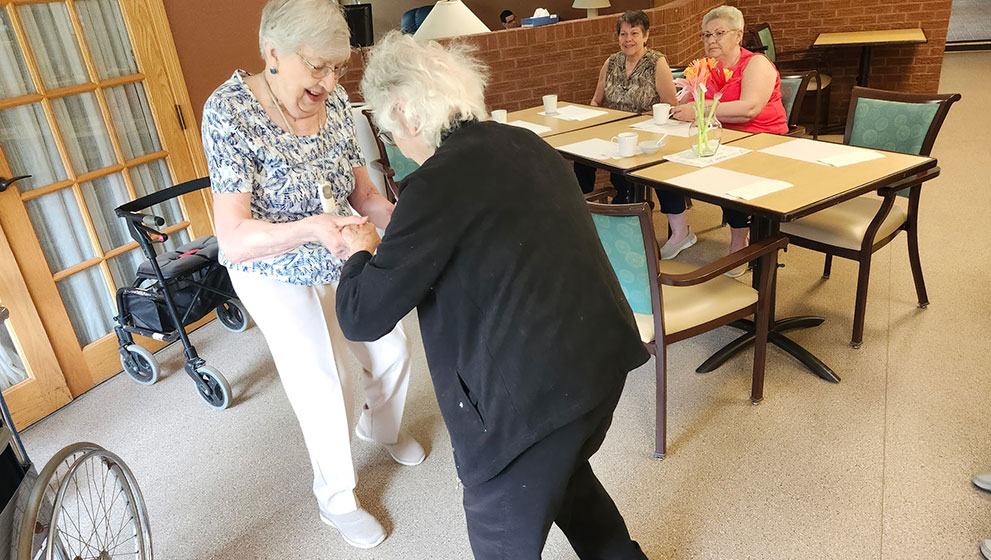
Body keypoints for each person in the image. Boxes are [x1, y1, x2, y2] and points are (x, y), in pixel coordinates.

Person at [337, 31, 651, 560]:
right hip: (599, 366)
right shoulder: (525, 142)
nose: (398, 145)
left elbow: (363, 314)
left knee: (503, 533)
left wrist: (359, 251)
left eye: (392, 133)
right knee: (566, 475)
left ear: (407, 113)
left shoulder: (436, 184)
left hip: (533, 402)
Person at [200, 0, 424, 549]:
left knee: (391, 347)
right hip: (270, 263)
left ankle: (379, 427)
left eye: (337, 67)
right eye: (317, 66)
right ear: (272, 53)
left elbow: (362, 193)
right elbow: (232, 235)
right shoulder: (230, 112)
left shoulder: (337, 100)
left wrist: (410, 225)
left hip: (337, 246)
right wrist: (311, 228)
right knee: (325, 379)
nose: (329, 81)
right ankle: (336, 499)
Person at [660, 5, 789, 275]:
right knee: (662, 163)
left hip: (763, 142)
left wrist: (699, 109)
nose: (712, 40)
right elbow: (691, 101)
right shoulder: (706, 68)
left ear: (738, 35)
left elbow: (749, 108)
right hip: (722, 140)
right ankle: (680, 231)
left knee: (727, 174)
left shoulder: (756, 64)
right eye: (706, 35)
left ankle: (740, 241)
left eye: (719, 33)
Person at [575, 10, 679, 203]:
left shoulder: (657, 62)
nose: (628, 39)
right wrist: (592, 123)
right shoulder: (611, 62)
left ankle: (625, 208)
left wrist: (638, 119)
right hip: (613, 129)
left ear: (645, 36)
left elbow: (671, 105)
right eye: (623, 34)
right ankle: (582, 206)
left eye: (634, 33)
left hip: (644, 131)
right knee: (582, 159)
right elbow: (596, 101)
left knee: (623, 172)